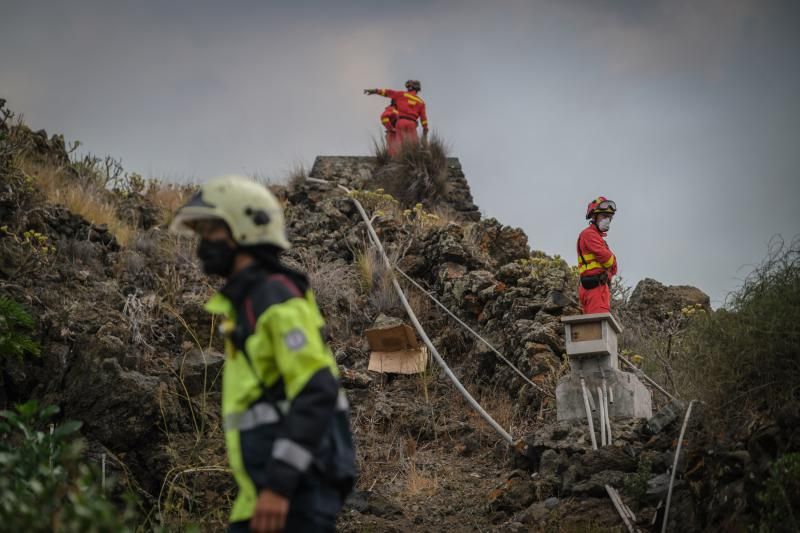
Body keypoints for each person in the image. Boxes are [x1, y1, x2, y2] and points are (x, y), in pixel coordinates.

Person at [169, 175, 356, 533]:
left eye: (211, 231)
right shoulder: (248, 302)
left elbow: (316, 390)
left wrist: (279, 486)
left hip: (295, 496)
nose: (203, 244)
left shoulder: (274, 298)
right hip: (262, 499)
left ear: (243, 230)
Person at [577, 196, 618, 314]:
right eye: (604, 216)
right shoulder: (589, 234)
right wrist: (613, 258)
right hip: (595, 290)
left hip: (596, 288)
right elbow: (608, 261)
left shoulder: (596, 237)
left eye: (609, 217)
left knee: (594, 326)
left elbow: (613, 269)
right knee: (597, 327)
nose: (608, 220)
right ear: (594, 217)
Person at [364, 79, 428, 150]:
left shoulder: (401, 94)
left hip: (400, 122)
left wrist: (375, 91)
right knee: (414, 146)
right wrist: (425, 130)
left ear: (409, 87)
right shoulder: (421, 102)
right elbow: (423, 119)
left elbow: (387, 92)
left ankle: (397, 158)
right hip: (412, 124)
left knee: (399, 144)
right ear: (418, 89)